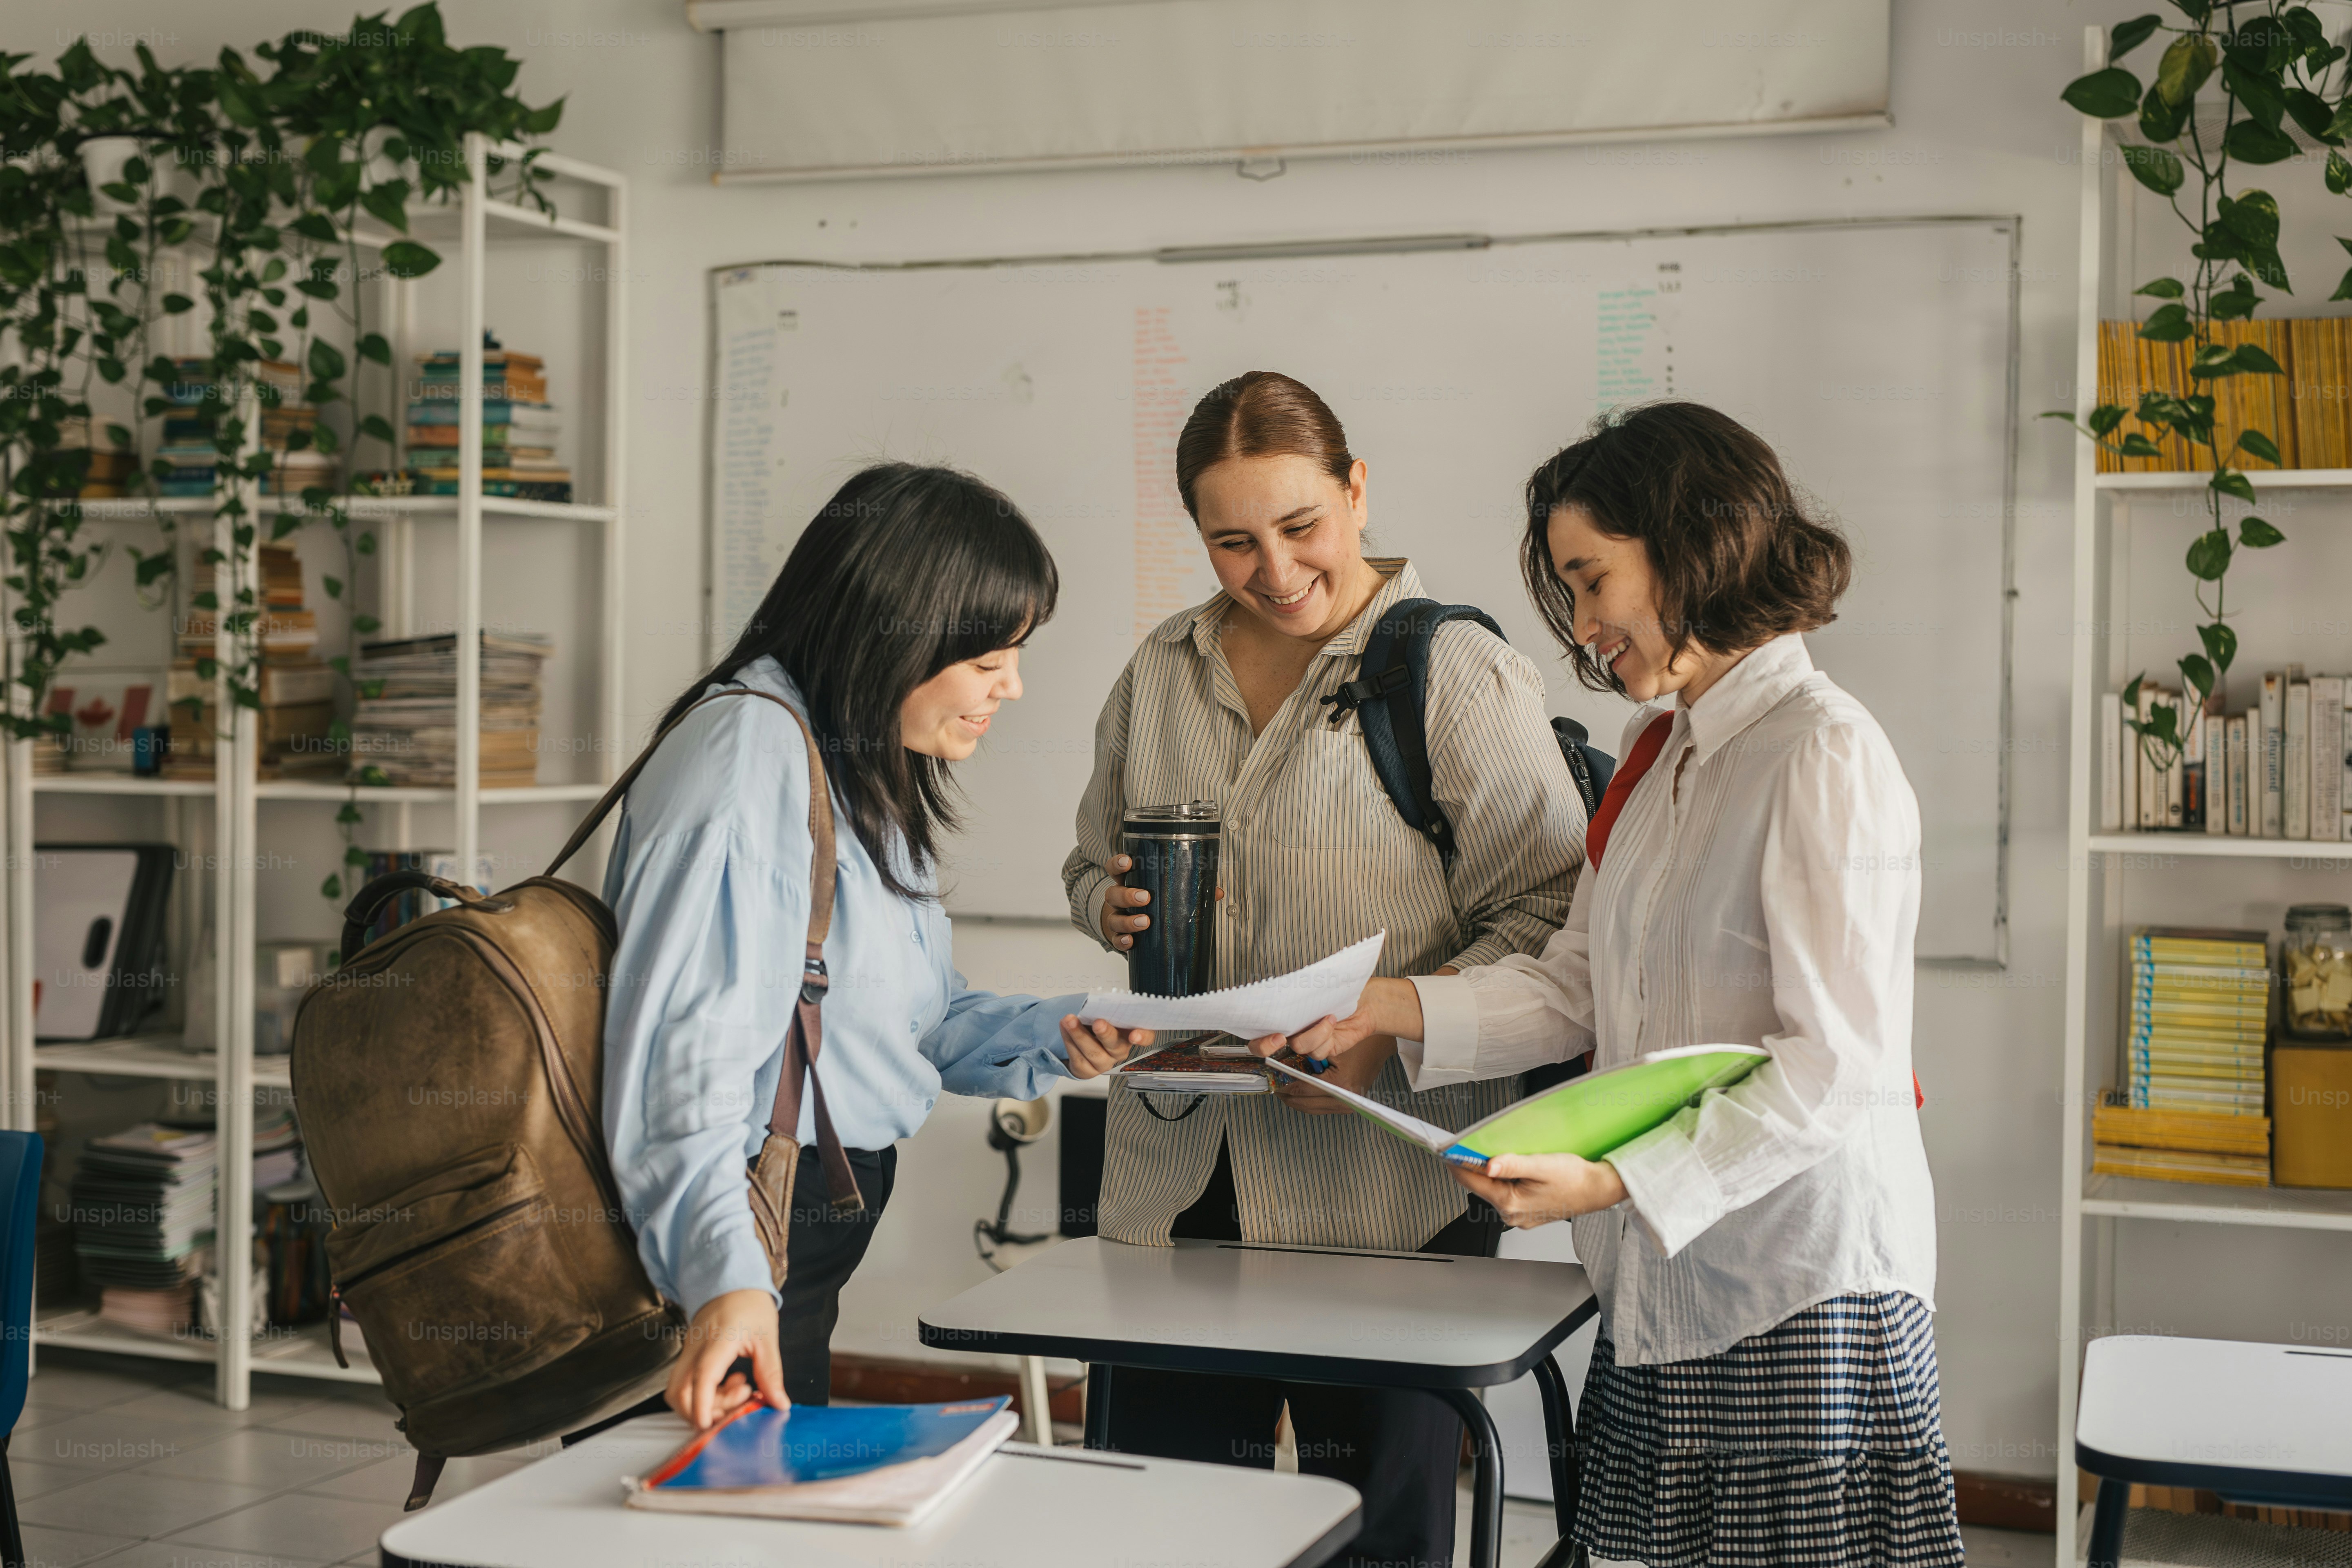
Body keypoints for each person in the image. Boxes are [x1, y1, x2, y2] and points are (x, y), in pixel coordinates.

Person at [1267, 403, 1965, 1567]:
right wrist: (1387, 1009)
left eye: (1594, 583)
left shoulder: (1820, 752)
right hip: (1665, 1288)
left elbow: (1836, 1068)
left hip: (1798, 1295)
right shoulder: (1659, 758)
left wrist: (1610, 1182)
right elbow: (1574, 989)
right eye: (1572, 595)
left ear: (1692, 544)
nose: (1586, 631)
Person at [1062, 372, 1587, 1568]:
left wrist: (1389, 1024)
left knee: (1381, 1538)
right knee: (1166, 1530)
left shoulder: (1451, 673)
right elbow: (1088, 868)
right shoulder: (1160, 668)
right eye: (1233, 541)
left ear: (1357, 490)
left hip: (1387, 1189)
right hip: (1178, 1178)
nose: (1276, 569)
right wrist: (1115, 904)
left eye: (1301, 527)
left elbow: (1553, 920)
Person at [601, 462, 1147, 1432]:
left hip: (787, 1247)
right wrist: (726, 1280)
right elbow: (677, 1066)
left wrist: (1061, 1031)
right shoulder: (749, 760)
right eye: (989, 661)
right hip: (730, 1247)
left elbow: (905, 1022)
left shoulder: (850, 766)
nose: (1012, 688)